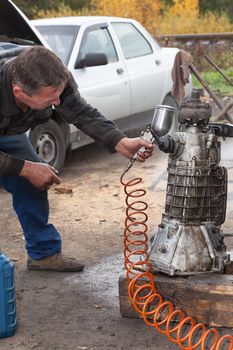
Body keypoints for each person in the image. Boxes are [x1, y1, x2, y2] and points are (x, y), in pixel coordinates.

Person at [0, 46, 153, 272]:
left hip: (7, 133)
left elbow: (80, 113)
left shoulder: (52, 74)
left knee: (31, 183)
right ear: (18, 93)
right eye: (49, 101)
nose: (57, 104)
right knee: (30, 172)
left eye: (58, 96)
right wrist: (26, 168)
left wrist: (120, 141)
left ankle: (43, 256)